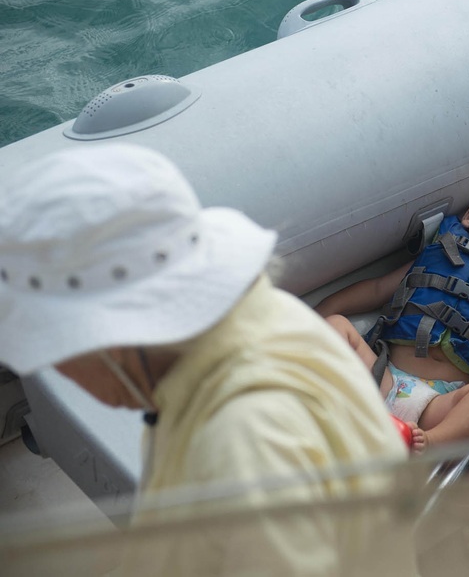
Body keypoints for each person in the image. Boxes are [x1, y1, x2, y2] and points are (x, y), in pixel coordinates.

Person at [0, 144, 413, 574]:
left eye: (59, 350)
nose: (61, 371)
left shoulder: (245, 445)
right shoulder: (268, 318)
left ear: (117, 340)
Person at [316, 179, 469, 451]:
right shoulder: (437, 254)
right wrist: (320, 312)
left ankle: (429, 443)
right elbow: (377, 289)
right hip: (384, 377)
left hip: (438, 405)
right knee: (336, 325)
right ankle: (323, 396)